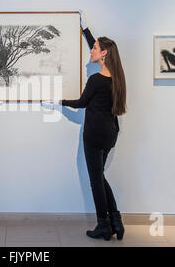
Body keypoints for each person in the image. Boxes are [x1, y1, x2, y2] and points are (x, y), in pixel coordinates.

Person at [59, 12, 127, 241]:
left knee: (96, 179)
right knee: (100, 176)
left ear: (104, 53)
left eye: (94, 48)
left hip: (95, 134)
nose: (91, 50)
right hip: (111, 132)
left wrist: (58, 101)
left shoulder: (96, 79)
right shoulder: (115, 78)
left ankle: (104, 225)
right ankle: (115, 220)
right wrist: (86, 31)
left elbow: (81, 103)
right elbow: (100, 48)